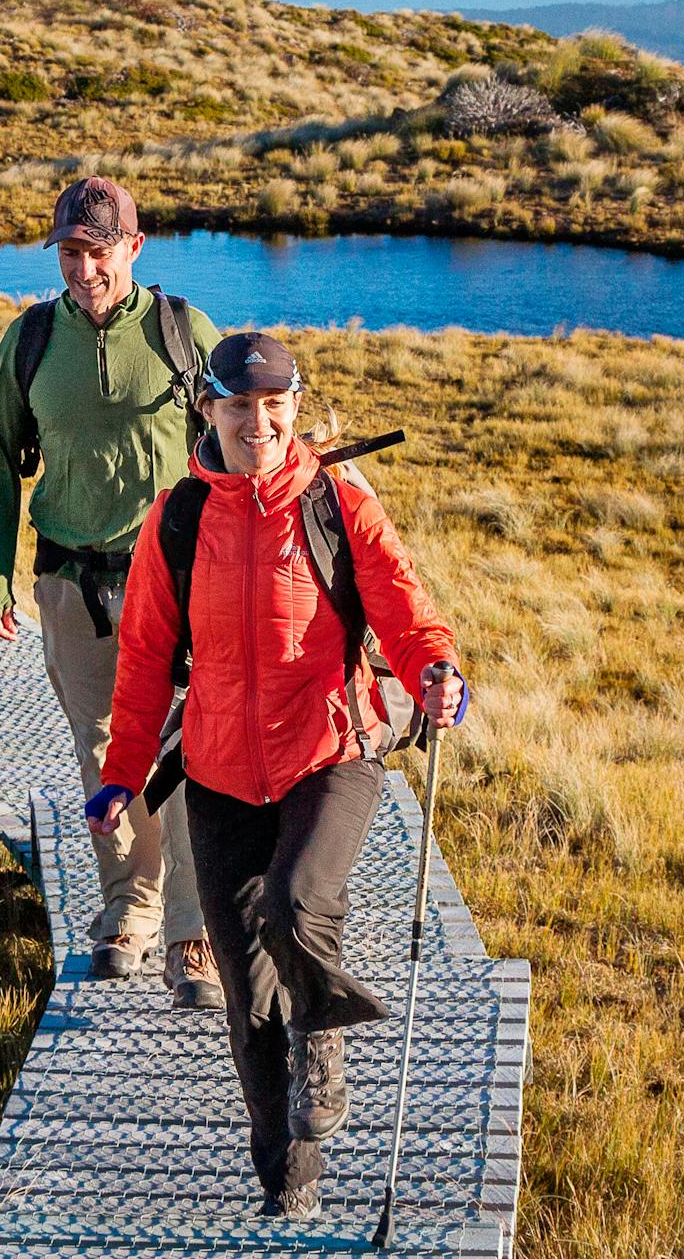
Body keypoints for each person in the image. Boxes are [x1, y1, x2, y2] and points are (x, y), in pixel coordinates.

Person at [88, 331, 467, 1220]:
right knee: (246, 1004)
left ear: (294, 407)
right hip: (219, 772)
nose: (257, 422)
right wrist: (120, 774)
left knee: (298, 904)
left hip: (330, 753)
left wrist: (438, 673)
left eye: (274, 405)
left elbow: (409, 616)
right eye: (238, 406)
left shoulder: (339, 504)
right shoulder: (177, 519)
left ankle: (324, 1028)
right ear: (209, 410)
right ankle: (287, 1188)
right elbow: (145, 657)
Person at [0, 175, 224, 1005]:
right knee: (103, 749)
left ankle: (193, 932)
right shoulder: (33, 339)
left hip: (177, 587)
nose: (84, 269)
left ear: (134, 249)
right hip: (71, 585)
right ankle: (128, 912)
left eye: (99, 251)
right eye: (71, 253)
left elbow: (245, 447)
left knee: (183, 752)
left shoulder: (186, 335)